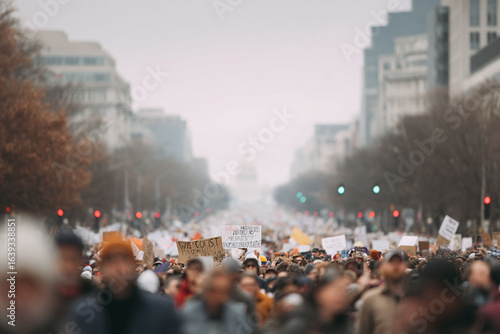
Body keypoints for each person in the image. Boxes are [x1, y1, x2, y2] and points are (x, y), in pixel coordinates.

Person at [68, 240, 181, 334]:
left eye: (124, 260)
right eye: (111, 261)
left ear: (134, 266)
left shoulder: (162, 310)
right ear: (102, 268)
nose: (118, 267)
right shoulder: (83, 312)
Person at [265, 267, 351, 334]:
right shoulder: (301, 319)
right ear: (320, 292)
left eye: (345, 291)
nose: (342, 295)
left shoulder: (346, 323)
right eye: (336, 290)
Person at [182, 270, 254, 334]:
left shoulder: (238, 315)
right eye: (214, 291)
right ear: (206, 291)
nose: (219, 297)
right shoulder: (189, 314)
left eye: (223, 291)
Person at [355, 248, 408, 334]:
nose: (395, 266)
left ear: (405, 266)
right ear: (382, 267)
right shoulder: (370, 299)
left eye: (399, 262)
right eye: (391, 262)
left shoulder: (416, 298)